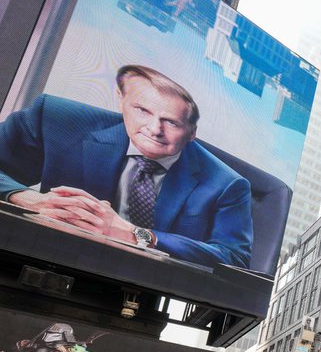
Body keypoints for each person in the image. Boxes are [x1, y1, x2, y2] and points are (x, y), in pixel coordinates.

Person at [0, 65, 253, 268]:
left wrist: (136, 235)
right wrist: (30, 199)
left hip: (136, 290)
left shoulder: (227, 185)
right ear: (121, 101)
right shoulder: (56, 119)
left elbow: (233, 258)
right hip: (35, 258)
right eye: (143, 110)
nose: (154, 129)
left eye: (172, 123)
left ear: (192, 132)